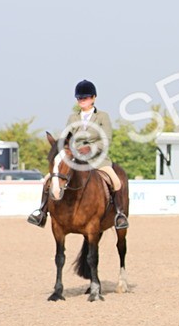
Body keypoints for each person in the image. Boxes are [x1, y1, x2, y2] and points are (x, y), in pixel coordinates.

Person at [27, 79, 129, 229]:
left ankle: (119, 214)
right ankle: (42, 212)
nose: (82, 100)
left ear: (93, 98)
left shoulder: (102, 116)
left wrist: (90, 148)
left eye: (85, 97)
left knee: (116, 181)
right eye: (80, 98)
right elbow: (65, 138)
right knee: (48, 179)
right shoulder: (73, 118)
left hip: (97, 160)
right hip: (75, 159)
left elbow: (106, 139)